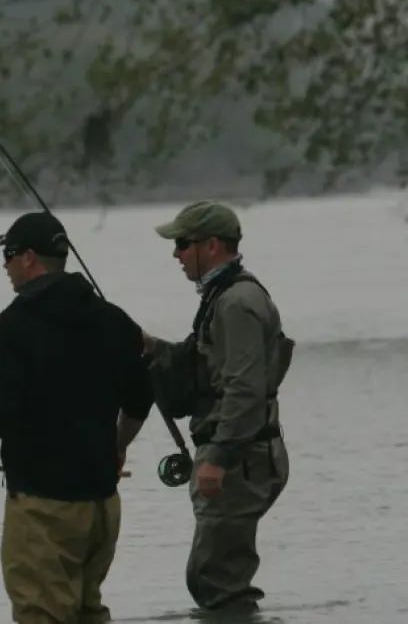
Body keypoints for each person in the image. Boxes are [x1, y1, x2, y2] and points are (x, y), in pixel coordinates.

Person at [0, 210, 153, 624]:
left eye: (9, 255)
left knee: (42, 615)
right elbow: (141, 398)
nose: (5, 266)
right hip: (103, 506)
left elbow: (0, 412)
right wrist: (117, 447)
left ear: (29, 258)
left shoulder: (13, 328)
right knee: (89, 612)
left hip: (43, 507)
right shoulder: (114, 320)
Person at [147, 200, 292, 615]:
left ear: (211, 246)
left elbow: (244, 389)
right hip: (237, 456)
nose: (175, 254)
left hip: (240, 460)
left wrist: (220, 457)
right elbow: (206, 367)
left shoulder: (237, 302)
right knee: (214, 577)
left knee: (216, 579)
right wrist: (149, 346)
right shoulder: (222, 296)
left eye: (181, 243)